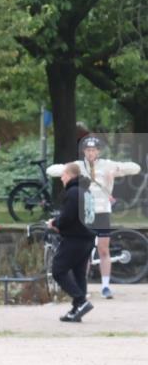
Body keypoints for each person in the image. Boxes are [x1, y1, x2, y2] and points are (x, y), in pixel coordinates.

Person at [46, 136, 141, 299]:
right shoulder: (78, 165)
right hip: (86, 213)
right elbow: (52, 170)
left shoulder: (107, 164)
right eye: (88, 150)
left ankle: (105, 286)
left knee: (103, 248)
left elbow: (135, 167)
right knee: (85, 251)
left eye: (93, 150)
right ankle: (83, 287)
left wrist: (116, 170)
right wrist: (66, 168)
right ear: (84, 151)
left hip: (102, 211)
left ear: (98, 151)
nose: (91, 153)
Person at [47, 163, 96, 322]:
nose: (61, 178)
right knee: (78, 273)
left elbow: (67, 217)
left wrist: (54, 223)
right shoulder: (86, 191)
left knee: (58, 270)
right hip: (87, 238)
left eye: (63, 175)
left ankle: (81, 301)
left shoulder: (73, 192)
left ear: (70, 175)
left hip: (75, 238)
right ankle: (77, 310)